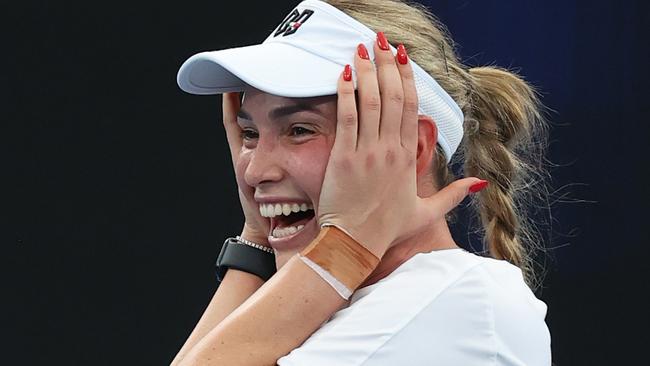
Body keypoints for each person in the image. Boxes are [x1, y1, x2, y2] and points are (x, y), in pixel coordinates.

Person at [171, 0, 551, 365]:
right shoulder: (334, 302)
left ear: (413, 149)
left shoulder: (459, 301)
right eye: (250, 133)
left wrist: (347, 248)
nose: (255, 172)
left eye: (299, 129)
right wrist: (256, 241)